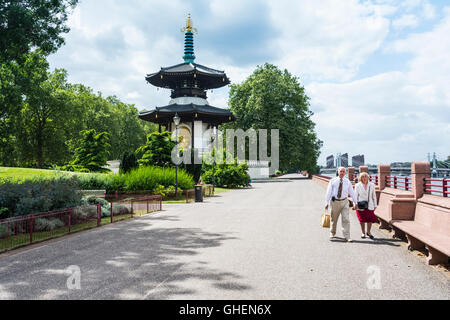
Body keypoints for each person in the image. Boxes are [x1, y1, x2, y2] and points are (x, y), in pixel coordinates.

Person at [325, 167, 359, 242]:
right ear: (338, 172)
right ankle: (332, 233)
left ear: (345, 173)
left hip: (344, 202)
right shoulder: (333, 181)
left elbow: (352, 192)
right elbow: (328, 192)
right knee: (334, 219)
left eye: (343, 171)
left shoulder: (347, 181)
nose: (342, 173)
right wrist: (326, 202)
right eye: (341, 171)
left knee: (346, 219)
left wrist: (355, 202)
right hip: (335, 202)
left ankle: (347, 236)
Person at [354, 172, 378, 240]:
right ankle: (363, 233)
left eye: (365, 176)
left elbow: (374, 196)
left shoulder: (372, 185)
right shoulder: (357, 185)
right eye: (363, 177)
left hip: (370, 204)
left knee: (370, 219)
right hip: (360, 205)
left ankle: (369, 232)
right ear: (360, 178)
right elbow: (355, 196)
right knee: (362, 220)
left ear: (368, 177)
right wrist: (355, 204)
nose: (364, 178)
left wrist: (375, 205)